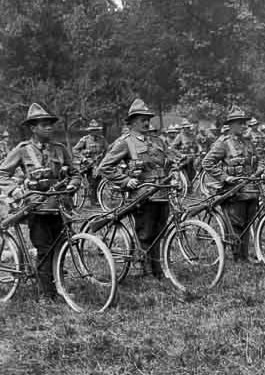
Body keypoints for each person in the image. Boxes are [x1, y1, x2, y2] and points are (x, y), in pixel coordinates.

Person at [0, 103, 81, 300]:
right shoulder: (22, 150)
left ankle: (57, 285)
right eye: (43, 125)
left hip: (60, 206)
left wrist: (72, 185)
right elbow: (2, 174)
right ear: (33, 128)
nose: (49, 128)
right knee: (44, 249)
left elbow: (75, 172)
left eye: (50, 124)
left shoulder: (60, 149)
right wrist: (16, 190)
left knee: (61, 246)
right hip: (37, 208)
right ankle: (47, 294)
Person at [98, 99, 176, 278]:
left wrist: (175, 170)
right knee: (146, 233)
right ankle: (147, 270)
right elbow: (105, 167)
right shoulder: (126, 142)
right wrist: (125, 181)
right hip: (143, 195)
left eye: (148, 119)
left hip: (162, 193)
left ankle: (156, 269)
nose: (147, 122)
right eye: (142, 120)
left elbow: (169, 160)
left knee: (159, 232)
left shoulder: (158, 141)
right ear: (132, 122)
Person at [202, 106, 265, 262]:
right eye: (239, 123)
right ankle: (238, 257)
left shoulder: (249, 142)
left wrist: (259, 172)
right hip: (234, 191)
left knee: (248, 222)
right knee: (237, 224)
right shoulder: (223, 143)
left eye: (245, 123)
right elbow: (207, 162)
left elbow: (260, 159)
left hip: (251, 189)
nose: (244, 126)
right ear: (230, 125)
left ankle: (244, 255)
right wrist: (225, 177)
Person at [73, 119, 108, 205]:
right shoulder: (85, 140)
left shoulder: (102, 139)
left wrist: (105, 159)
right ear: (90, 131)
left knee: (98, 182)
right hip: (88, 165)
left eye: (96, 130)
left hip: (99, 164)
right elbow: (75, 150)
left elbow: (108, 149)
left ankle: (97, 199)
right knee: (92, 182)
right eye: (93, 130)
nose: (95, 132)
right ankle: (93, 201)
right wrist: (83, 159)